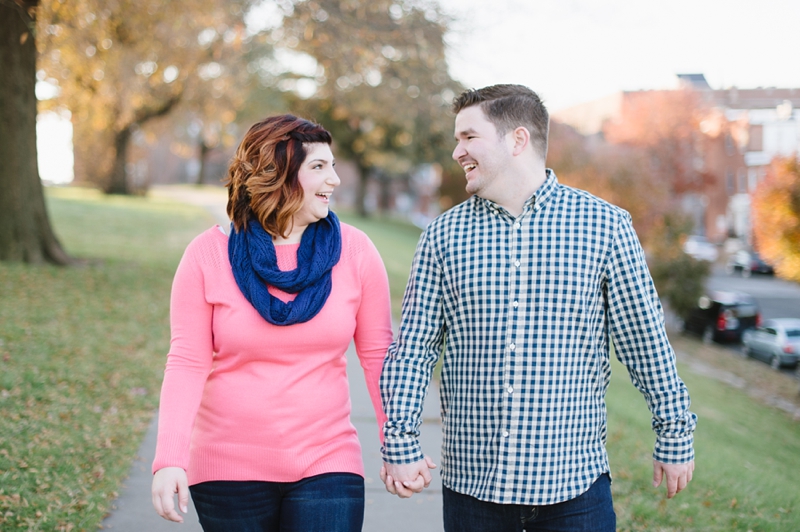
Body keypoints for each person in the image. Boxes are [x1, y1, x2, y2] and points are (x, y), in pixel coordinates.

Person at [379, 85, 697, 531]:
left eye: (469, 137)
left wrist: (674, 433)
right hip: (473, 494)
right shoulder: (443, 236)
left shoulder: (605, 227)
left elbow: (644, 342)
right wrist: (401, 442)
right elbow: (413, 350)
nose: (457, 152)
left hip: (574, 494)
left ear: (517, 140)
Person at [151, 114, 392, 531]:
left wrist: (397, 444)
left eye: (333, 165)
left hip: (328, 460)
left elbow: (378, 356)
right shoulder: (208, 255)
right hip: (227, 468)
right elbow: (187, 361)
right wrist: (169, 458)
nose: (334, 179)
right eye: (318, 167)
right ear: (275, 174)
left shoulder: (356, 252)